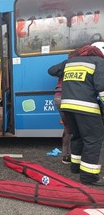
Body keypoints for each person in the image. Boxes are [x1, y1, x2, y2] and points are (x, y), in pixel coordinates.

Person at [47, 42, 104, 186]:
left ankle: (75, 167)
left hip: (67, 107)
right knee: (93, 140)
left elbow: (52, 70)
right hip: (86, 107)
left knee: (77, 136)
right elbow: (101, 87)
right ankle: (89, 176)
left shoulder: (70, 62)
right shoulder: (99, 62)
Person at [50, 76, 72, 164]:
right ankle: (71, 156)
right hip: (69, 97)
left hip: (58, 97)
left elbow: (51, 70)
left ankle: (66, 156)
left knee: (68, 128)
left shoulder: (63, 67)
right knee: (73, 129)